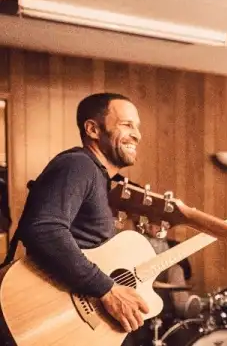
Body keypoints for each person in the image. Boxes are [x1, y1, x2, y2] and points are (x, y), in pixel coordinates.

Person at [8, 92, 149, 336]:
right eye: (127, 124)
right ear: (93, 129)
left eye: (137, 126)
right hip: (45, 310)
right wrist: (107, 289)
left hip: (66, 313)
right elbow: (43, 230)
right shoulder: (79, 165)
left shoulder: (97, 176)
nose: (137, 134)